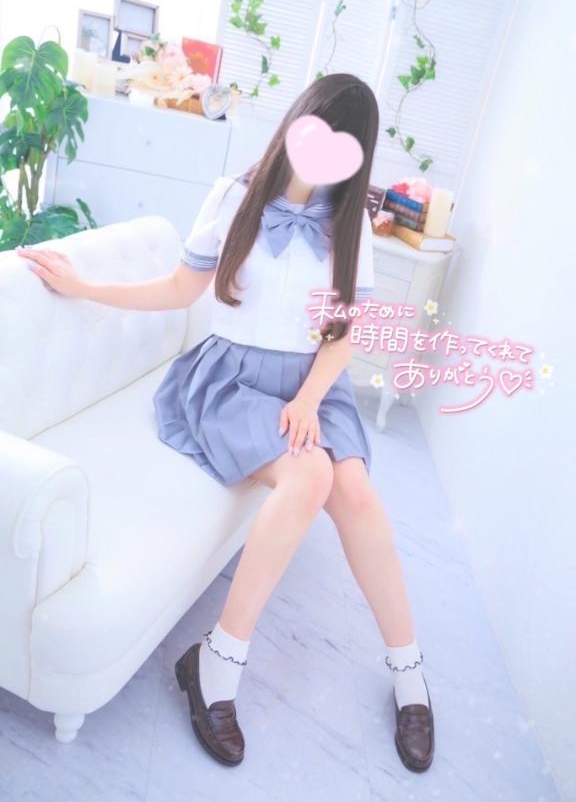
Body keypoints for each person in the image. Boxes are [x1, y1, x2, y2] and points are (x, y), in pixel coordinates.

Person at [15, 73, 434, 773]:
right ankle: (218, 663)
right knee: (308, 476)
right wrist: (84, 285)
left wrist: (308, 400)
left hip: (312, 385)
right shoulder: (233, 198)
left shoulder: (351, 223)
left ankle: (410, 673)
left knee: (357, 493)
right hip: (231, 381)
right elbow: (179, 289)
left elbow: (344, 336)